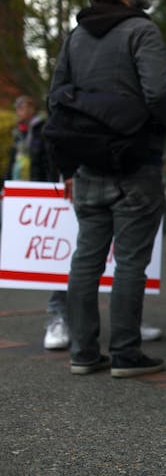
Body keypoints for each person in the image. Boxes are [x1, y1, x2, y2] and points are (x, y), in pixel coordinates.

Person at [48, 0, 166, 377]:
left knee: (86, 258)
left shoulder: (76, 37)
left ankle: (83, 352)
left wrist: (68, 162)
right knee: (131, 262)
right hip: (136, 166)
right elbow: (159, 94)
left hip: (87, 165)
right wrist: (153, 138)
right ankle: (125, 353)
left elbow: (57, 98)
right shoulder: (141, 31)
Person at [4, 96, 69, 349]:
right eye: (18, 106)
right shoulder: (19, 132)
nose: (21, 110)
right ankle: (60, 314)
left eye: (25, 106)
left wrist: (48, 189)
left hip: (42, 189)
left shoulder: (42, 130)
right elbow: (14, 160)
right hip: (24, 190)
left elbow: (46, 162)